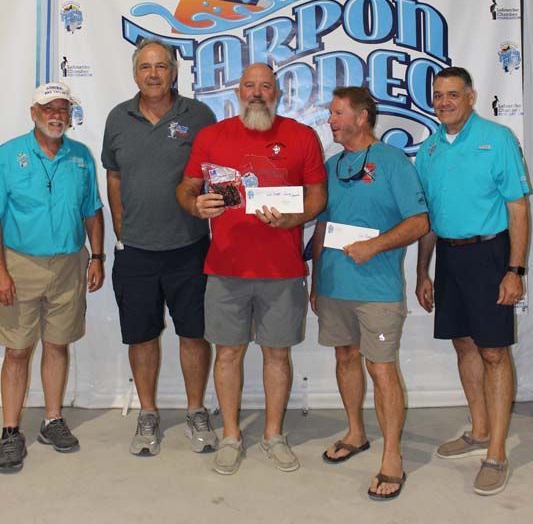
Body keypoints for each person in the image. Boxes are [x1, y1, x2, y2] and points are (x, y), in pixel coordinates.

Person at [177, 63, 326, 475]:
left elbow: (317, 197)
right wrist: (195, 204)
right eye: (249, 86)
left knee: (277, 354)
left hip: (282, 269)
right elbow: (188, 187)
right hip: (225, 267)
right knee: (227, 353)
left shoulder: (302, 136)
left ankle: (273, 435)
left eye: (265, 86)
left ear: (277, 93)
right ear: (237, 91)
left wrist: (295, 219)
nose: (257, 92)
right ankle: (230, 435)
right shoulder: (212, 136)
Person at [309, 87, 428, 501]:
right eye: (330, 113)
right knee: (345, 357)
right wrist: (316, 281)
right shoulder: (331, 165)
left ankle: (392, 455)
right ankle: (356, 433)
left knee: (381, 369)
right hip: (335, 286)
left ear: (362, 117)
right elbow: (321, 225)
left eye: (338, 113)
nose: (331, 119)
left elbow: (418, 222)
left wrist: (374, 246)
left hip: (377, 290)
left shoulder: (394, 162)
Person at [415, 66, 529, 496]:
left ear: (472, 96)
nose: (444, 102)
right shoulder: (428, 151)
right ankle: (479, 429)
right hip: (448, 254)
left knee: (494, 352)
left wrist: (515, 270)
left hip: (490, 253)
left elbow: (518, 208)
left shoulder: (496, 139)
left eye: (453, 94)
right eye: (438, 95)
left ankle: (496, 453)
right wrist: (423, 270)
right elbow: (427, 220)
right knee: (463, 342)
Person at [101, 38, 217, 457]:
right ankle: (148, 412)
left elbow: (214, 175)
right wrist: (119, 225)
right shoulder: (118, 118)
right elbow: (114, 177)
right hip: (136, 251)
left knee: (194, 333)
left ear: (173, 72)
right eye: (145, 67)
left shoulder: (199, 115)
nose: (153, 74)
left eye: (161, 66)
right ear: (135, 74)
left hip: (189, 247)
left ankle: (195, 409)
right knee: (142, 335)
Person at [0, 82, 104, 472]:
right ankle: (10, 430)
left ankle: (52, 420)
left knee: (57, 344)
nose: (56, 114)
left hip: (68, 265)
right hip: (19, 264)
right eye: (48, 109)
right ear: (34, 113)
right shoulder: (8, 155)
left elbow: (93, 210)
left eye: (63, 108)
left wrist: (97, 257)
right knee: (17, 350)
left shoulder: (80, 157)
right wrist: (1, 273)